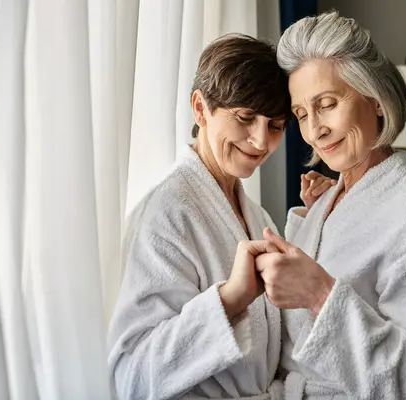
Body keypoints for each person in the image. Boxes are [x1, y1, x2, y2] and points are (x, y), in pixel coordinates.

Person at [253, 11, 406, 399]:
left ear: (376, 100)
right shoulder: (334, 199)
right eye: (302, 114)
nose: (314, 129)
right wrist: (309, 220)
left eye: (328, 103)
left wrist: (322, 295)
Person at [107, 34, 334, 400]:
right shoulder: (165, 216)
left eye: (275, 126)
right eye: (245, 118)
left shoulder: (254, 214)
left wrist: (315, 219)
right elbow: (131, 376)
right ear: (200, 108)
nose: (261, 142)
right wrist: (230, 298)